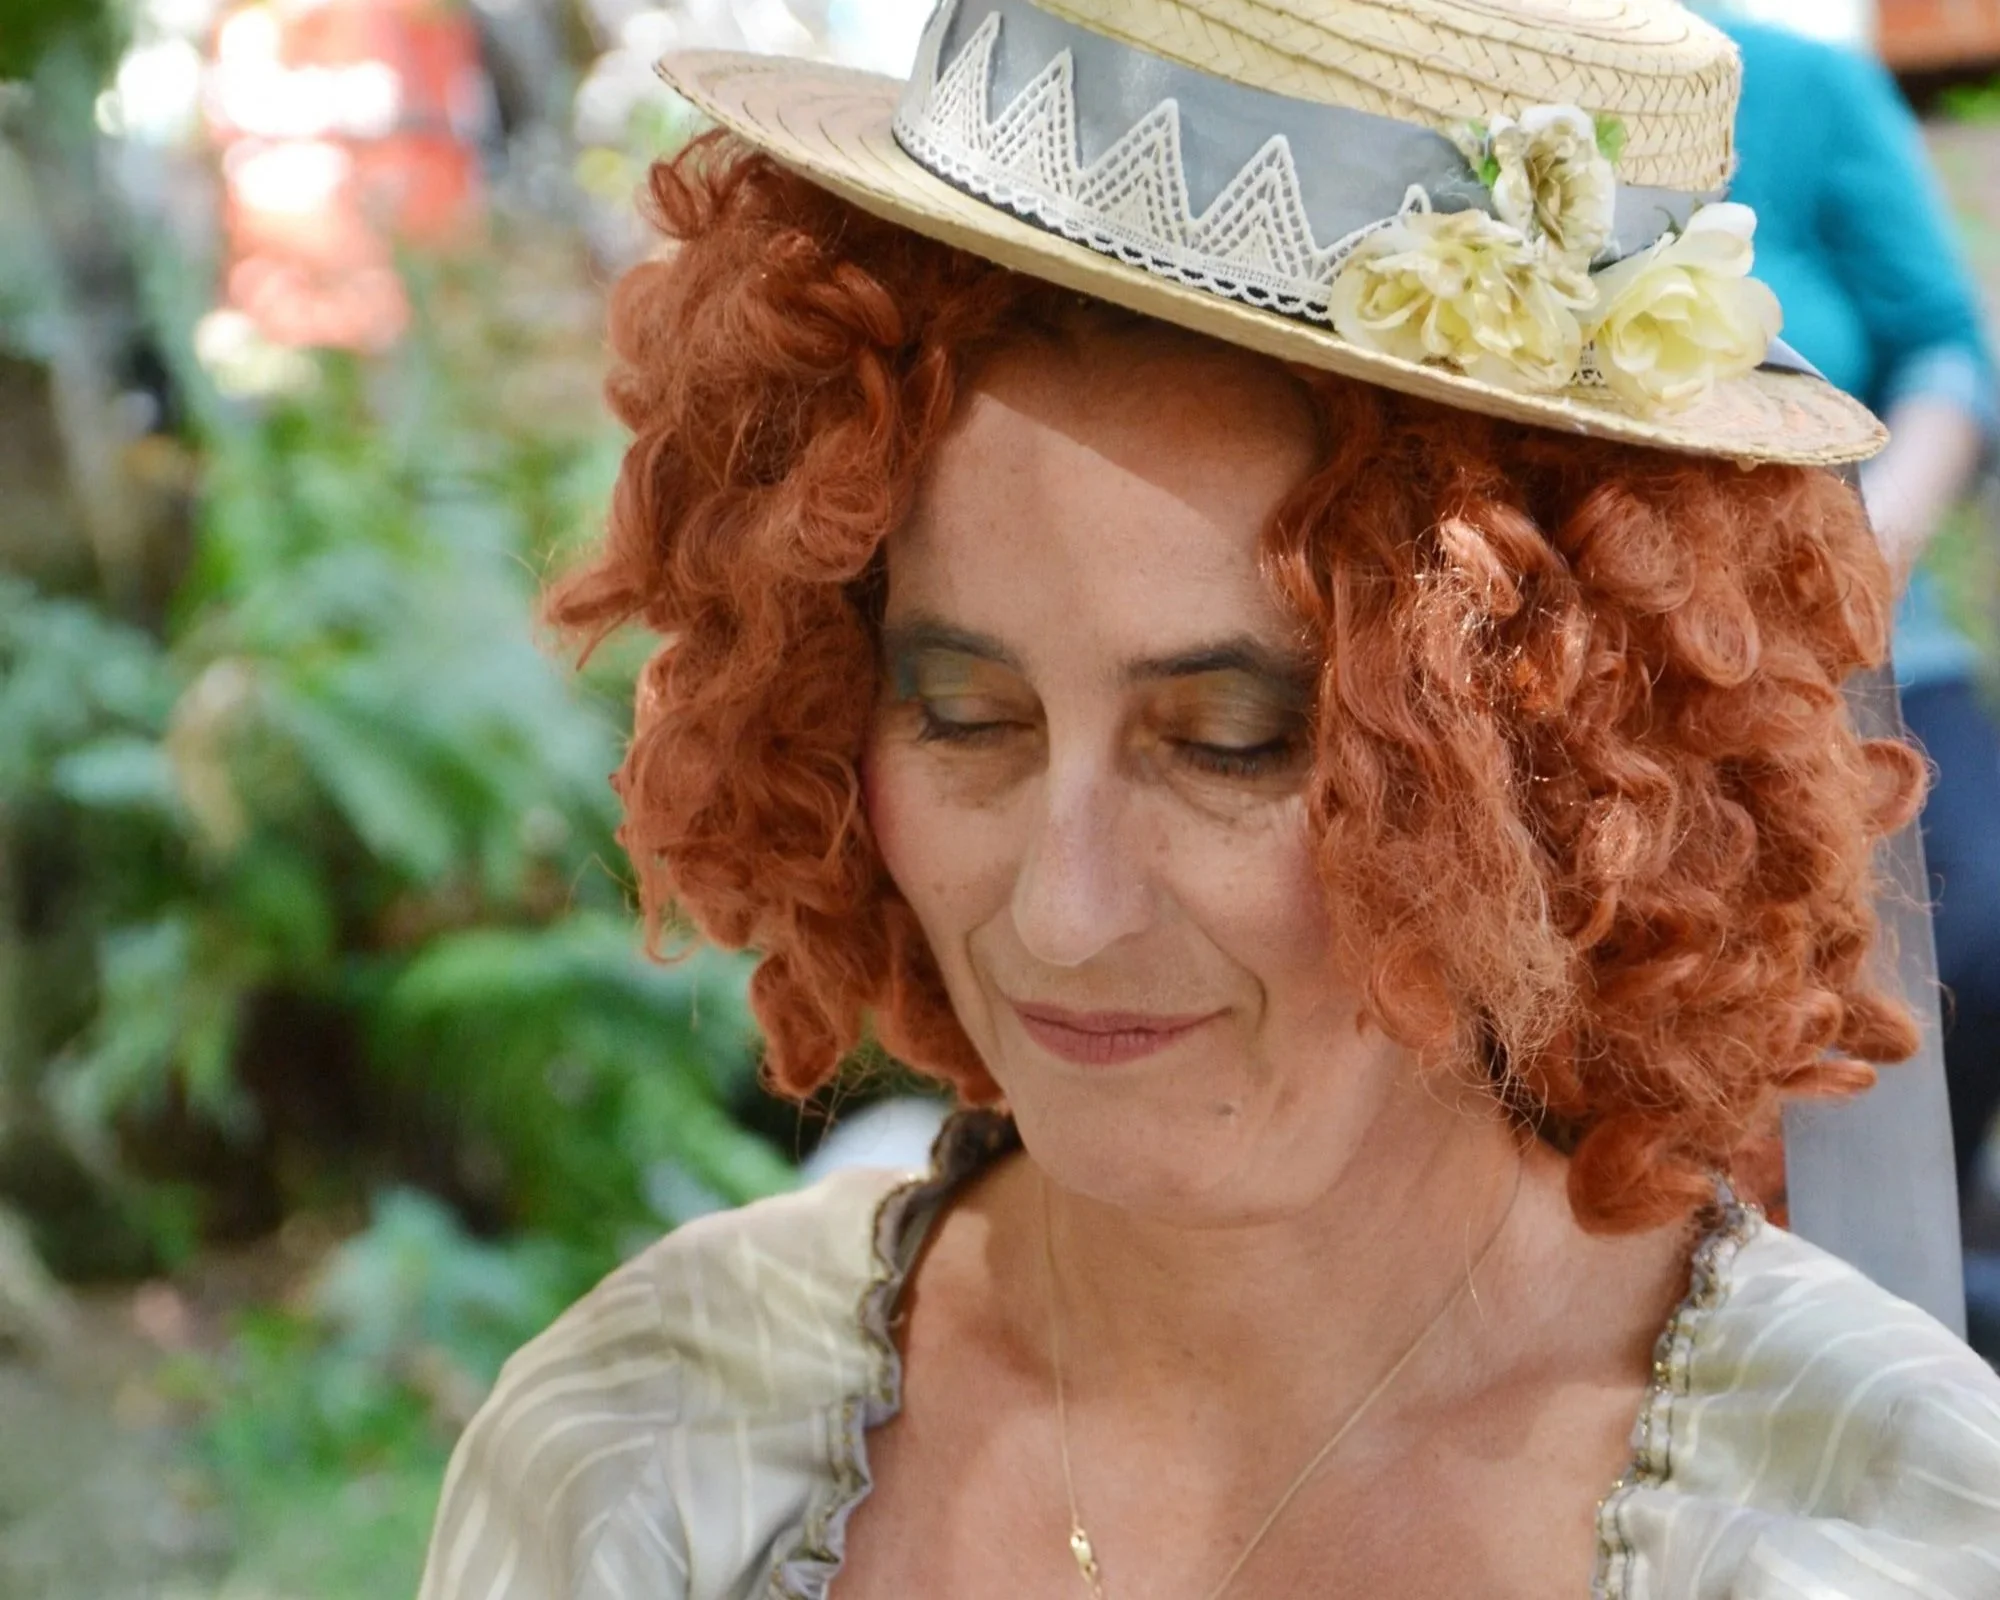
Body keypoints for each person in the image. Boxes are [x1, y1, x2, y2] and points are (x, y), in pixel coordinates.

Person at [419, 2, 2000, 1596]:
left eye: (1232, 741)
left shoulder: (1865, 1531)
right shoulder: (651, 1451)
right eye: (963, 716)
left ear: (1551, 772)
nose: (1062, 905)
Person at [1705, 6, 2000, 1236]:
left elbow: (1948, 350)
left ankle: (1917, 1273)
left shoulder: (1800, 86)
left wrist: (1867, 544)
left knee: (1966, 929)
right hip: (1627, 675)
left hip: (1863, 654)